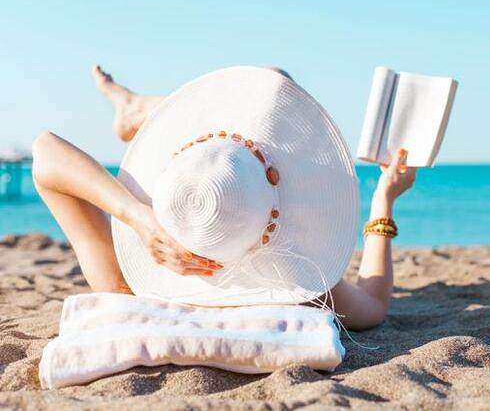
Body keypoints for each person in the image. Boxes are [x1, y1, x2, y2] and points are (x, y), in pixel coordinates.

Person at [31, 66, 416, 331]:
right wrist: (384, 197)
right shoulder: (296, 288)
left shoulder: (127, 287)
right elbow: (374, 304)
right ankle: (142, 110)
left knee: (271, 82)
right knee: (274, 79)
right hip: (214, 228)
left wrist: (138, 217)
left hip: (155, 227)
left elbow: (45, 150)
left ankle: (140, 110)